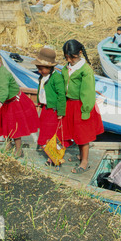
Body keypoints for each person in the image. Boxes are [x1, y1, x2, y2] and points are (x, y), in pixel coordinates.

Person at [0, 50, 39, 158]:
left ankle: (19, 150)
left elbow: (4, 91)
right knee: (6, 125)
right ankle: (8, 145)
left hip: (14, 102)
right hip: (6, 102)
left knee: (15, 128)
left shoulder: (3, 74)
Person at [61, 39, 104, 173]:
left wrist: (85, 110)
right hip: (70, 104)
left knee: (83, 134)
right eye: (66, 57)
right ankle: (80, 155)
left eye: (71, 56)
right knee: (76, 132)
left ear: (79, 53)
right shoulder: (67, 67)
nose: (68, 59)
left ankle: (84, 161)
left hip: (82, 105)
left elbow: (88, 92)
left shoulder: (85, 70)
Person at [33, 48, 66, 165]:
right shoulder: (43, 77)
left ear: (49, 67)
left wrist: (61, 112)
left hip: (53, 110)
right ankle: (51, 155)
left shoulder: (56, 78)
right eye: (39, 69)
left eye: (42, 69)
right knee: (44, 132)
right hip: (45, 109)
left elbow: (61, 95)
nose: (40, 71)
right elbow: (42, 91)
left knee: (51, 134)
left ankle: (53, 158)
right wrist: (39, 102)